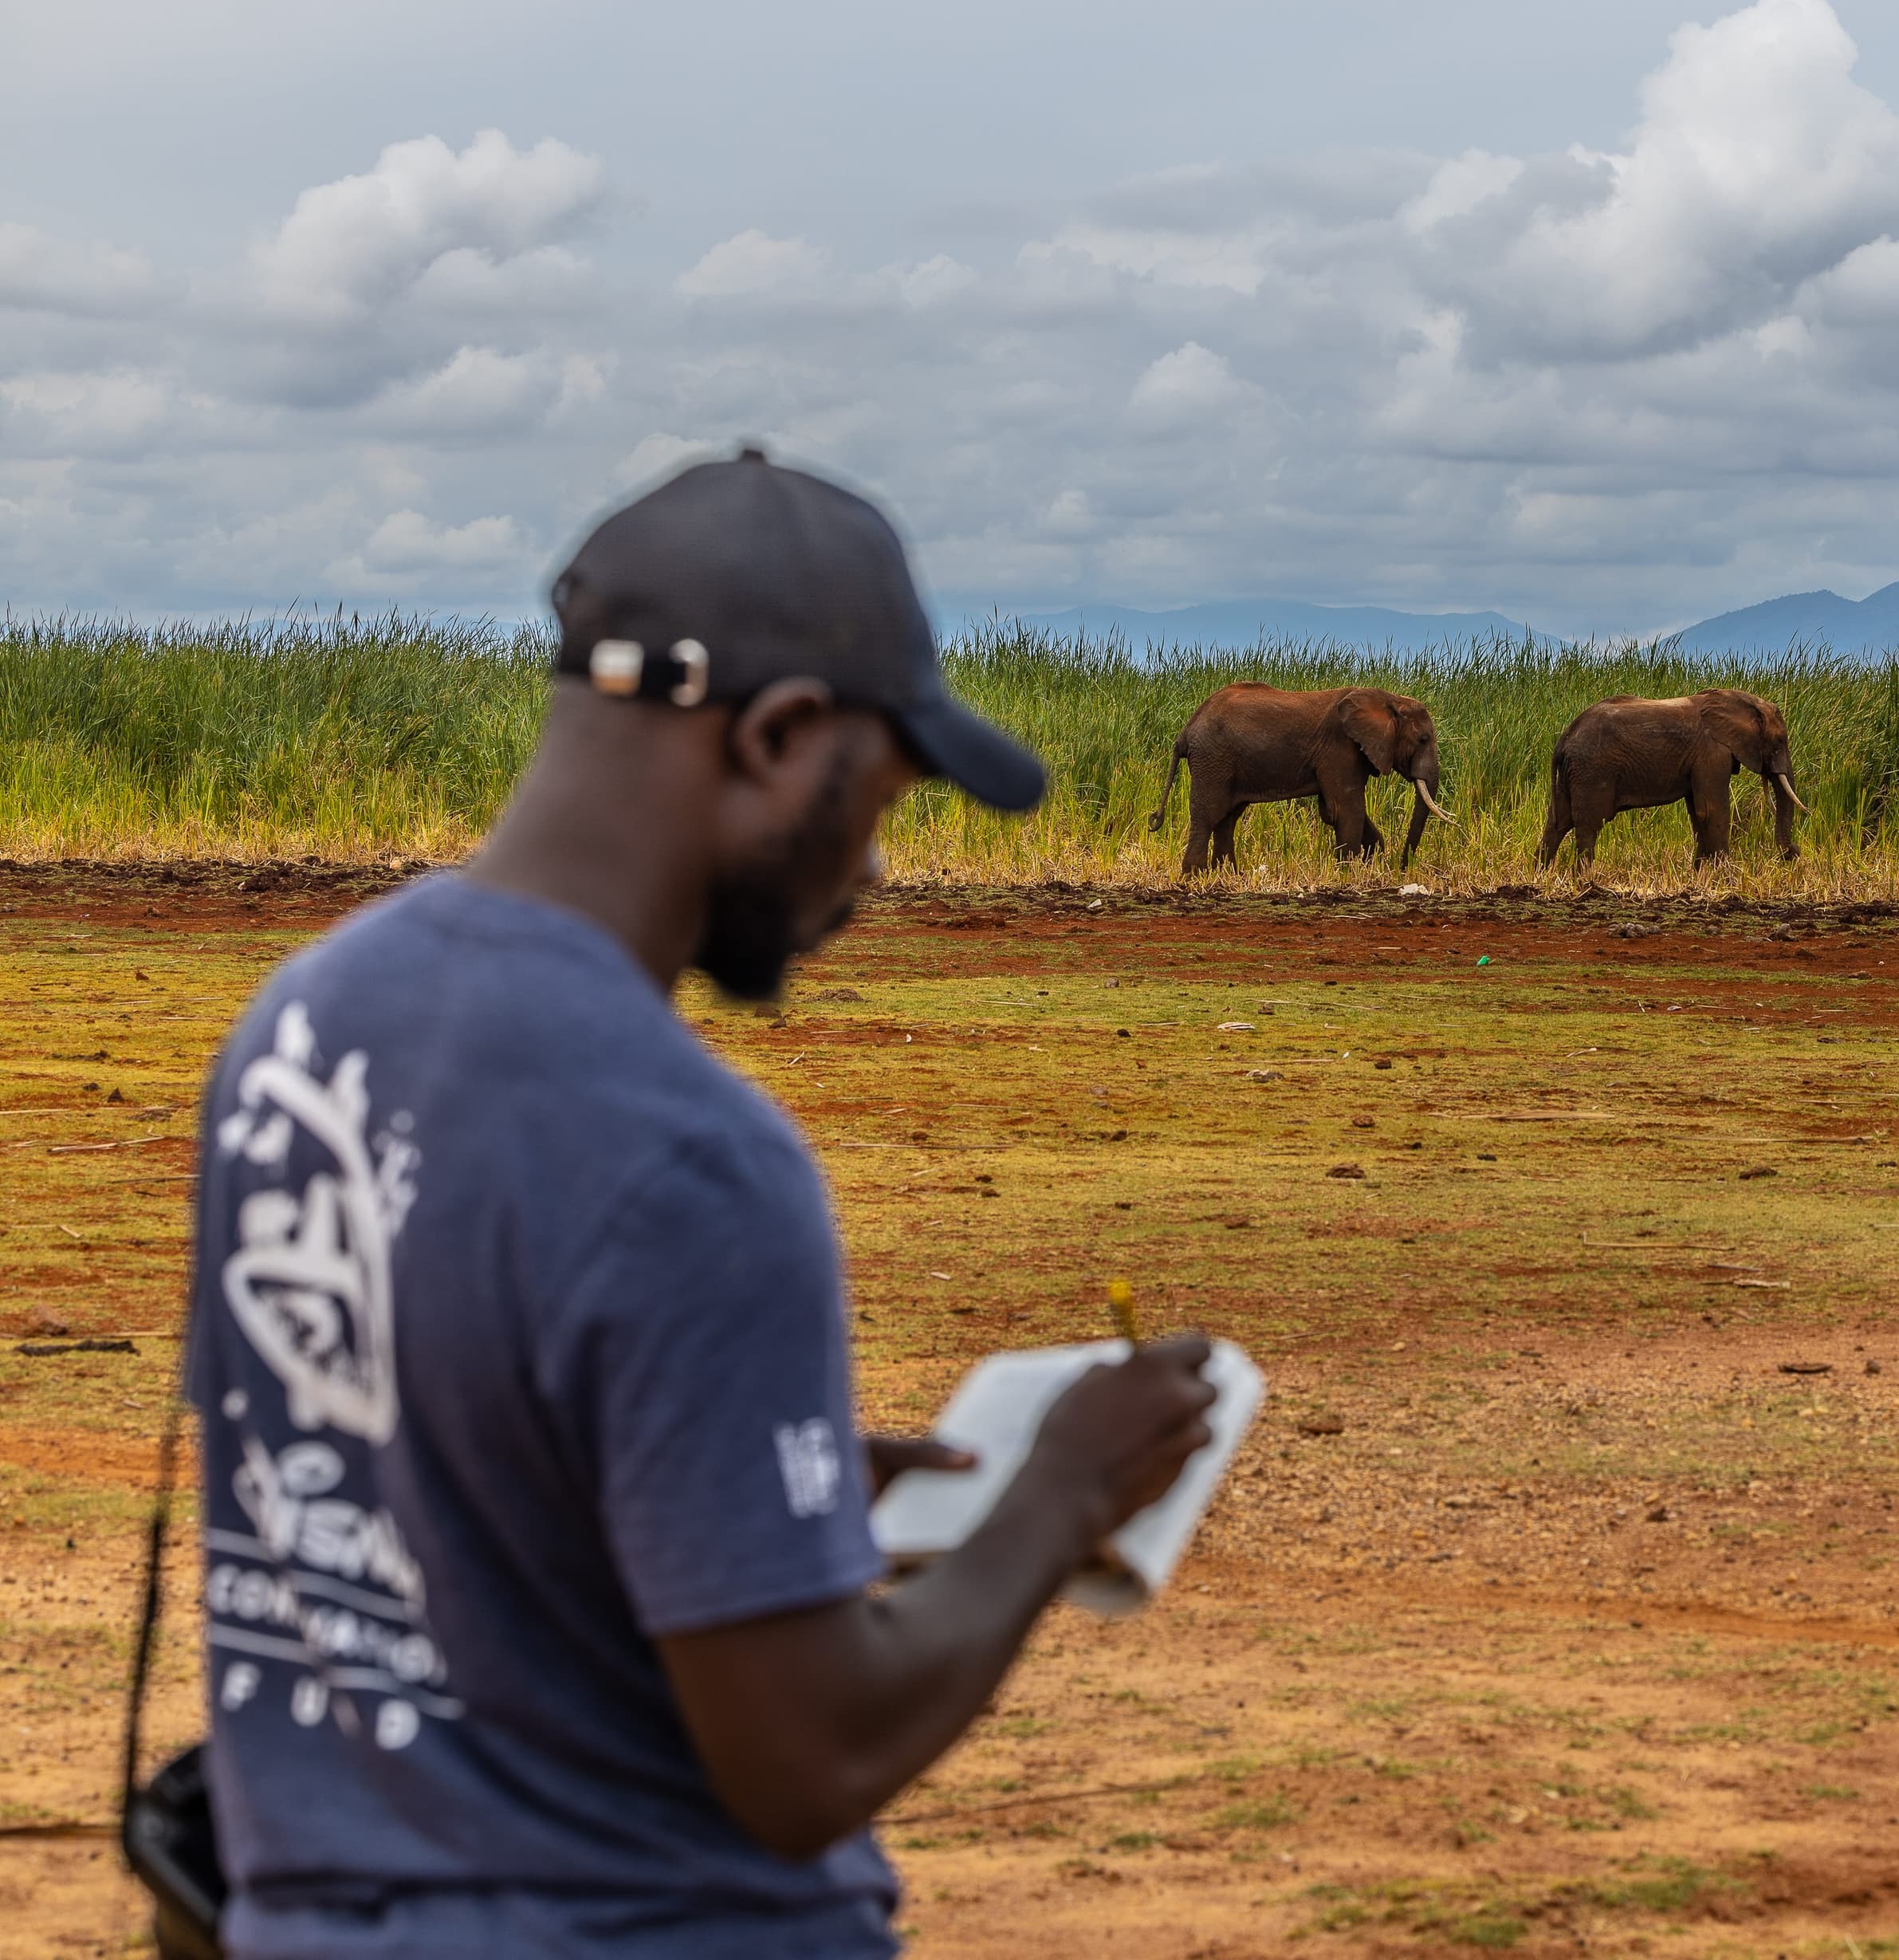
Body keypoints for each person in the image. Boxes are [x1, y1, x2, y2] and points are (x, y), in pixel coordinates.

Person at [183, 449, 1217, 1958]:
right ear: (781, 737)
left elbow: (417, 1452)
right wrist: (1062, 1495)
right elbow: (811, 1760)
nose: (868, 873)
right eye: (877, 801)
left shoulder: (303, 1022)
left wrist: (727, 1490)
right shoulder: (689, 1159)